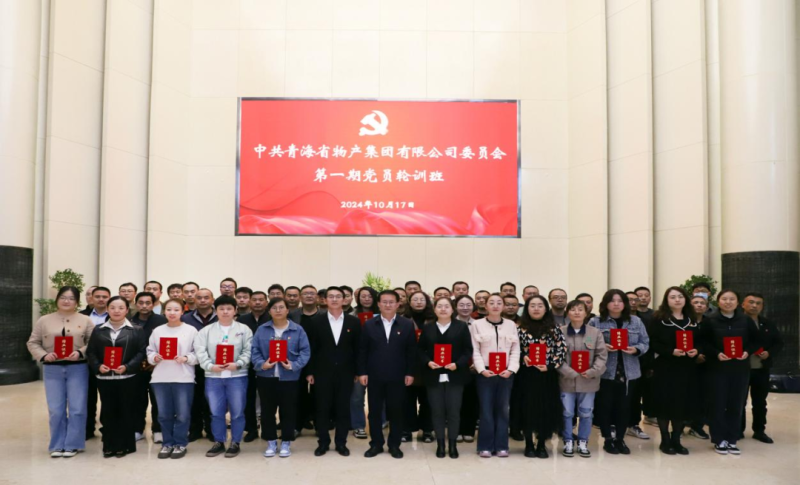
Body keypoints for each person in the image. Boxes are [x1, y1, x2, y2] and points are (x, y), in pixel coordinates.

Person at [27, 286, 94, 457]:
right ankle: (57, 444)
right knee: (56, 409)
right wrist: (44, 355)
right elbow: (33, 342)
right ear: (57, 299)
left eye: (71, 298)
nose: (66, 301)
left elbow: (93, 343)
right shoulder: (44, 320)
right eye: (63, 297)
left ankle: (73, 444)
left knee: (77, 408)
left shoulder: (85, 320)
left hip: (78, 368)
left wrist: (80, 352)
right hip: (53, 369)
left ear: (77, 302)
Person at [589, 289, 650, 455]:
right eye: (612, 300)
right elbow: (587, 342)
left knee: (624, 407)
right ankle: (608, 439)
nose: (616, 304)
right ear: (605, 303)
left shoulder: (636, 321)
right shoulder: (595, 321)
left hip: (629, 371)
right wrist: (601, 346)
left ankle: (620, 439)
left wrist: (636, 349)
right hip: (605, 371)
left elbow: (645, 342)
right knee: (605, 406)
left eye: (620, 301)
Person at [358, 290, 417, 459]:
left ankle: (394, 445)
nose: (388, 305)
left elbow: (411, 351)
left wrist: (410, 372)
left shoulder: (406, 324)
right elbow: (362, 350)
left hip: (398, 375)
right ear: (378, 304)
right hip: (374, 375)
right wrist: (362, 372)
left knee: (396, 411)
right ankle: (376, 444)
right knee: (375, 412)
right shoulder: (369, 324)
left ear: (398, 304)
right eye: (384, 302)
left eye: (391, 302)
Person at [85, 296, 147, 458]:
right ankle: (109, 445)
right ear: (107, 309)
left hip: (128, 377)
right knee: (108, 411)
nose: (116, 311)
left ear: (127, 310)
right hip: (105, 378)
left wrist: (127, 366)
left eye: (121, 308)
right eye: (112, 307)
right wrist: (98, 366)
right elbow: (91, 351)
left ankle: (126, 445)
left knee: (126, 410)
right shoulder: (99, 329)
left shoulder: (136, 329)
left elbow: (142, 352)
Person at [699, 289, 759, 455]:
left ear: (738, 303)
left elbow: (756, 341)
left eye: (732, 299)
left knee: (736, 404)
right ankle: (719, 439)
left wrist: (747, 352)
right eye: (724, 299)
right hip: (717, 368)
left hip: (740, 369)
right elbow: (703, 342)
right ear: (718, 302)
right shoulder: (710, 320)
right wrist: (716, 354)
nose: (728, 302)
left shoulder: (745, 320)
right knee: (718, 404)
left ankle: (732, 439)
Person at [194, 295, 253, 458]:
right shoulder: (206, 331)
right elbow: (200, 351)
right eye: (221, 309)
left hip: (237, 376)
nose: (225, 312)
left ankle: (235, 442)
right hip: (213, 377)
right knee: (216, 412)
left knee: (237, 412)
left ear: (235, 310)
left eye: (229, 309)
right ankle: (219, 441)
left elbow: (248, 350)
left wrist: (239, 364)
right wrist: (210, 366)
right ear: (216, 311)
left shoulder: (244, 329)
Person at [251, 297, 310, 458]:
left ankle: (286, 441)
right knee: (267, 411)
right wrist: (262, 364)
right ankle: (270, 441)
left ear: (287, 310)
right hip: (266, 377)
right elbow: (254, 350)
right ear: (269, 311)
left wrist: (294, 365)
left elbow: (305, 351)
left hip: (289, 378)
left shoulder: (297, 330)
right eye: (274, 308)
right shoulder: (262, 329)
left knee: (288, 411)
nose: (278, 310)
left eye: (281, 307)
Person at [305, 287, 361, 457]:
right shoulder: (316, 321)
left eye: (338, 296)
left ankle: (341, 443)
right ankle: (323, 443)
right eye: (331, 297)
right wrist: (310, 372)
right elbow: (311, 349)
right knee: (322, 408)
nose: (335, 299)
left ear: (344, 300)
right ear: (325, 300)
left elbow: (358, 349)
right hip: (322, 373)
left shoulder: (353, 322)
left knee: (343, 408)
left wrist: (358, 371)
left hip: (346, 372)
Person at [418, 297, 473, 459]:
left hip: (455, 375)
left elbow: (468, 350)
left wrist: (458, 364)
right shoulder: (428, 328)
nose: (443, 309)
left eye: (446, 306)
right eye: (439, 306)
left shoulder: (461, 326)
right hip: (433, 375)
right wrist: (428, 362)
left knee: (454, 411)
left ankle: (453, 445)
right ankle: (441, 444)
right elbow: (420, 350)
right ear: (434, 309)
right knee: (437, 411)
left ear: (452, 309)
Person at [649, 287, 699, 455]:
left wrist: (697, 350)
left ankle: (676, 439)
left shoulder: (692, 319)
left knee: (681, 404)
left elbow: (701, 340)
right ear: (666, 300)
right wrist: (670, 351)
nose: (677, 300)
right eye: (672, 297)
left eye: (680, 296)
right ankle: (665, 440)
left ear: (685, 299)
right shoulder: (658, 319)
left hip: (687, 368)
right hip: (665, 367)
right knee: (665, 403)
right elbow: (652, 342)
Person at [147, 299, 198, 459]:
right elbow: (150, 351)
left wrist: (186, 358)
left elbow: (198, 353)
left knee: (182, 415)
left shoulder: (190, 330)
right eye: (169, 309)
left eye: (176, 309)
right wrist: (154, 357)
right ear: (164, 312)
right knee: (163, 415)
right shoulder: (158, 331)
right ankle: (167, 443)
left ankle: (180, 443)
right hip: (160, 378)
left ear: (183, 311)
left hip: (183, 378)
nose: (172, 312)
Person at [517, 295, 567, 458]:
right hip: (526, 375)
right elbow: (513, 349)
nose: (536, 309)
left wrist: (550, 365)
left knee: (545, 409)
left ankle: (541, 444)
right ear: (527, 309)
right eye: (532, 305)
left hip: (547, 375)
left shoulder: (554, 328)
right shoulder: (520, 329)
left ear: (546, 309)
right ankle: (528, 444)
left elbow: (561, 350)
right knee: (527, 409)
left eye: (540, 305)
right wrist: (522, 356)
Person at [471, 293, 520, 458]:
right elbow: (475, 350)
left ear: (504, 306)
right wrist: (481, 369)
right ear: (485, 306)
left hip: (506, 373)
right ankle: (484, 446)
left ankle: (501, 446)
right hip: (485, 373)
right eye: (491, 302)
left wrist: (511, 369)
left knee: (503, 410)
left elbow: (515, 350)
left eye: (499, 302)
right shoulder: (477, 324)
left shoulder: (511, 325)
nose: (495, 305)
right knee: (486, 409)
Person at [558, 299, 607, 458]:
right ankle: (568, 441)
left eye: (580, 309)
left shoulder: (595, 333)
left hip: (589, 381)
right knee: (566, 413)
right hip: (566, 381)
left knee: (586, 413)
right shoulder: (560, 332)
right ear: (567, 313)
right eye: (573, 309)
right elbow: (556, 356)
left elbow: (601, 355)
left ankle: (583, 441)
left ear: (586, 313)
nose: (577, 312)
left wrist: (593, 371)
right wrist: (569, 372)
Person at [740, 293, 783, 444]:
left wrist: (769, 353)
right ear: (743, 304)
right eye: (751, 302)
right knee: (739, 402)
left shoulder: (767, 324)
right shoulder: (737, 322)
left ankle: (759, 431)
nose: (754, 305)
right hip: (740, 369)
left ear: (762, 306)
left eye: (758, 303)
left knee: (760, 402)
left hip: (761, 369)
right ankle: (738, 430)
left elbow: (778, 343)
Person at [131, 292, 167, 443]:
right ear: (136, 304)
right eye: (141, 303)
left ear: (153, 304)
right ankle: (138, 429)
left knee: (158, 400)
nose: (144, 306)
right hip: (135, 367)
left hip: (157, 366)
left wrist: (154, 361)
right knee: (137, 400)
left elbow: (166, 342)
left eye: (148, 303)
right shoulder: (129, 320)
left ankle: (158, 430)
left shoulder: (162, 320)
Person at [183, 288, 217, 441]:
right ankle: (195, 430)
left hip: (215, 366)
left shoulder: (220, 317)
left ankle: (211, 430)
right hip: (192, 366)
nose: (203, 300)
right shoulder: (185, 318)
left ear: (212, 300)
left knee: (212, 400)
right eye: (199, 298)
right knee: (194, 400)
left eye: (206, 297)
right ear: (194, 300)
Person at [289, 285, 323, 437]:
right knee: (297, 395)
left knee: (319, 395)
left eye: (312, 293)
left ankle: (319, 425)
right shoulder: (292, 315)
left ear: (317, 297)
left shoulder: (325, 315)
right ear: (300, 297)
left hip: (319, 360)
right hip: (296, 360)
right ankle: (297, 426)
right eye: (305, 293)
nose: (309, 296)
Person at [238, 291, 270, 442]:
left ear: (266, 302)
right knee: (248, 398)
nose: (257, 302)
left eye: (261, 300)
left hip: (268, 364)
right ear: (249, 302)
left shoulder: (272, 318)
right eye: (254, 300)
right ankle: (251, 429)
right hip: (247, 365)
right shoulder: (242, 320)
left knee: (267, 399)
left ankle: (267, 429)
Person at [403, 290, 435, 442]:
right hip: (408, 364)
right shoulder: (403, 319)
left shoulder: (435, 319)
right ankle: (407, 430)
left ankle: (427, 430)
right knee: (407, 400)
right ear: (409, 302)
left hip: (430, 364)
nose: (419, 302)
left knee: (428, 400)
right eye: (415, 299)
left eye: (422, 299)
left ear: (427, 302)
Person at [351, 286, 381, 439]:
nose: (367, 299)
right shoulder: (351, 315)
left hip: (378, 361)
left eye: (370, 296)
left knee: (379, 396)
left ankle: (381, 422)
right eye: (363, 296)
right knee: (357, 396)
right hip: (358, 360)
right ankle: (358, 425)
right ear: (358, 298)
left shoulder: (382, 314)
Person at [80, 286, 110, 439]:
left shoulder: (115, 314)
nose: (101, 299)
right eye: (97, 296)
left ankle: (107, 429)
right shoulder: (81, 316)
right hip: (85, 362)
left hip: (108, 363)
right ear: (91, 298)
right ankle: (87, 429)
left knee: (108, 398)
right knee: (87, 398)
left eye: (104, 297)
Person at [453, 295, 478, 443]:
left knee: (471, 400)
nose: (465, 308)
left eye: (468, 304)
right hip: (454, 367)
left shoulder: (479, 324)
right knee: (455, 401)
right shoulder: (450, 323)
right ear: (455, 306)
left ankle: (468, 430)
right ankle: (455, 430)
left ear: (473, 306)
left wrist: (478, 363)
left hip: (474, 367)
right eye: (461, 305)